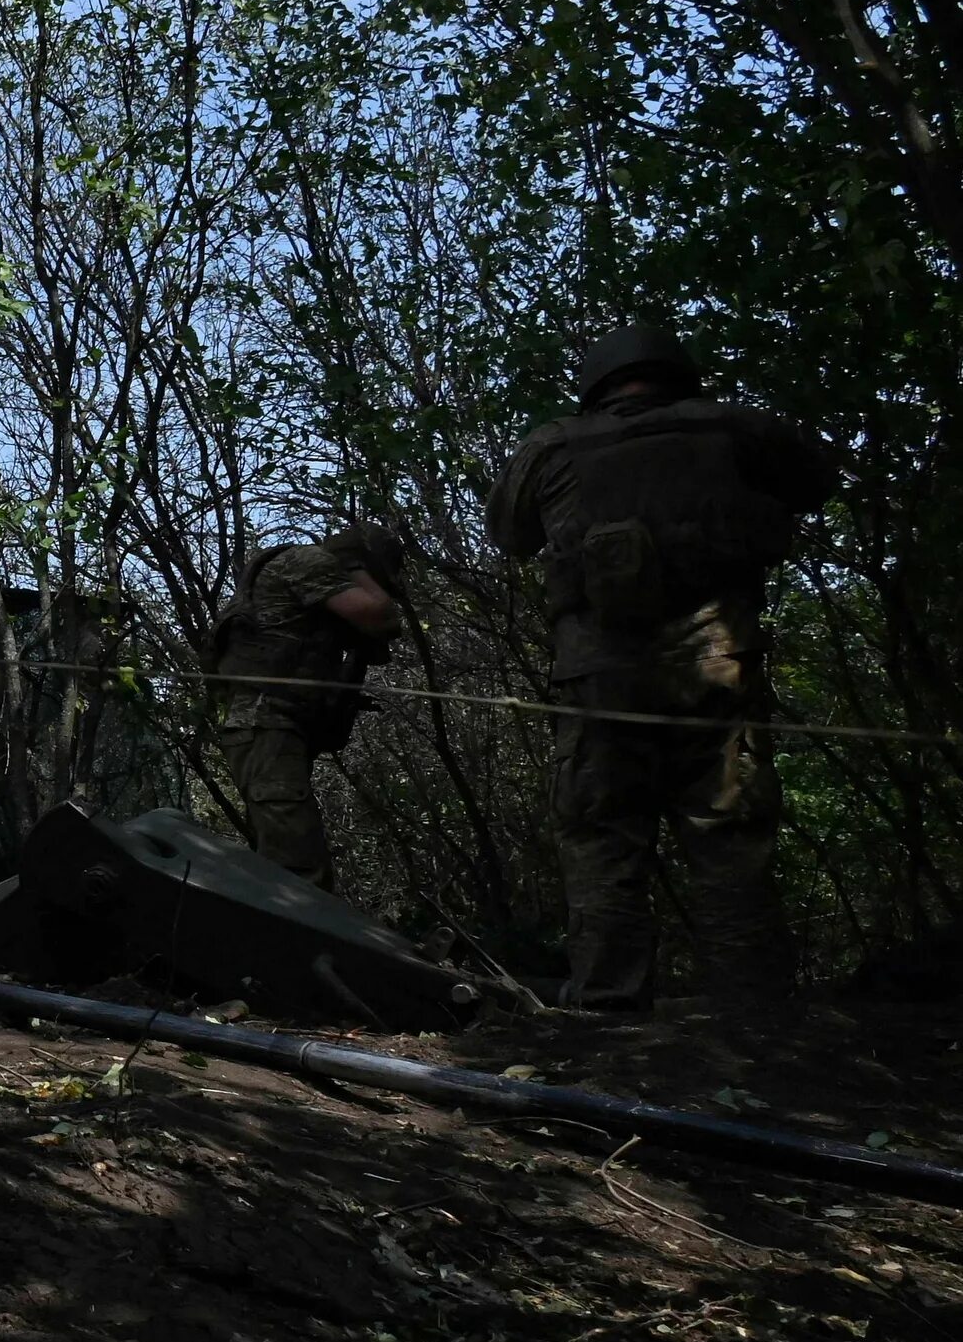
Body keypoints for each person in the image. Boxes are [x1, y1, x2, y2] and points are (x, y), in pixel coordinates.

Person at [488, 322, 840, 1013]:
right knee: (730, 838)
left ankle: (608, 1010)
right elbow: (815, 482)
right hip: (717, 665)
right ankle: (755, 1010)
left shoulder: (552, 444)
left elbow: (510, 534)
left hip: (599, 677)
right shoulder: (736, 428)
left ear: (597, 383)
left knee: (601, 838)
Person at [206, 523, 407, 891]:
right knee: (299, 877)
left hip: (275, 729)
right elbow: (382, 617)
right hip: (266, 725)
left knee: (292, 866)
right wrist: (356, 569)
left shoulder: (318, 584)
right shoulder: (308, 562)